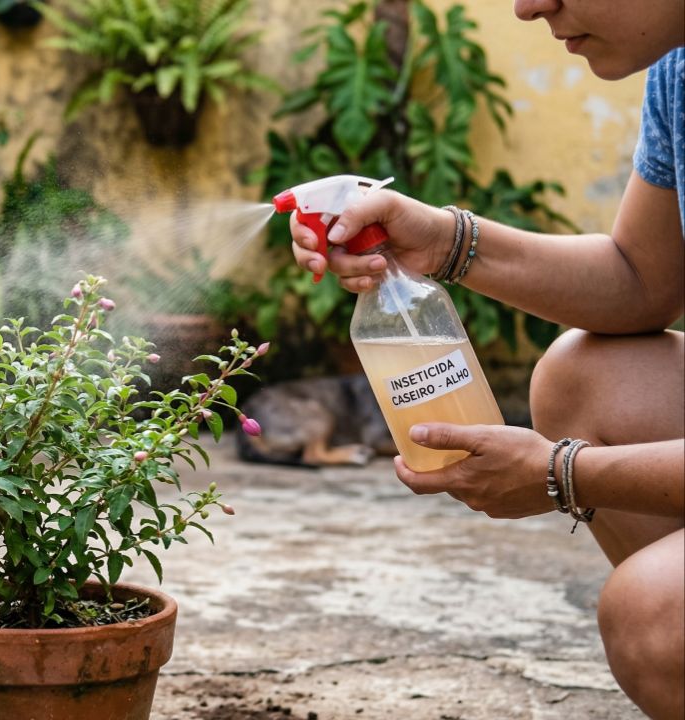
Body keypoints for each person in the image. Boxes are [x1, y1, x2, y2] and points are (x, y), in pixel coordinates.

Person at [288, 1, 684, 717]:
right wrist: (441, 240)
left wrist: (563, 473)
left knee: (656, 618)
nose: (529, 6)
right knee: (585, 380)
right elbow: (642, 278)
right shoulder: (679, 67)